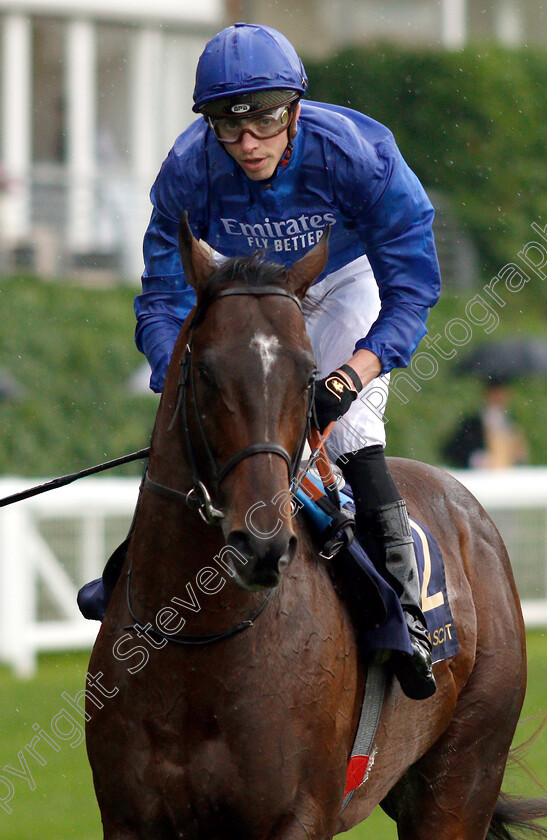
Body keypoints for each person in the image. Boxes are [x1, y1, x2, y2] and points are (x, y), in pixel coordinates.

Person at [132, 23, 441, 699]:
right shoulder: (188, 169)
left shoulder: (360, 155)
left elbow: (412, 285)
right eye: (227, 126)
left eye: (265, 123)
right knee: (203, 430)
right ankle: (130, 587)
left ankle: (405, 610)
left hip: (342, 281)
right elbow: (161, 295)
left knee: (352, 432)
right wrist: (174, 376)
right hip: (243, 289)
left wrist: (351, 373)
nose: (247, 144)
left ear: (295, 109)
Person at [442, 379, 529, 470]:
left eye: (502, 394)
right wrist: (475, 458)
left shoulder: (511, 422)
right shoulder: (472, 423)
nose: (499, 397)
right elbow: (451, 451)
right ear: (487, 394)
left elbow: (519, 456)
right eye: (495, 393)